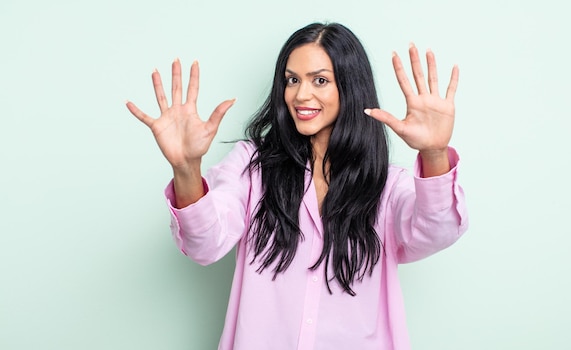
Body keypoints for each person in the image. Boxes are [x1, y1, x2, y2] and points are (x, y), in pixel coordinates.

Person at [126, 22, 468, 350]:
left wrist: (434, 152)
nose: (301, 95)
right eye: (292, 80)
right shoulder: (251, 166)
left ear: (349, 88)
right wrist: (186, 168)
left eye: (320, 80)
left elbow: (436, 231)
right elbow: (204, 244)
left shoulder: (387, 185)